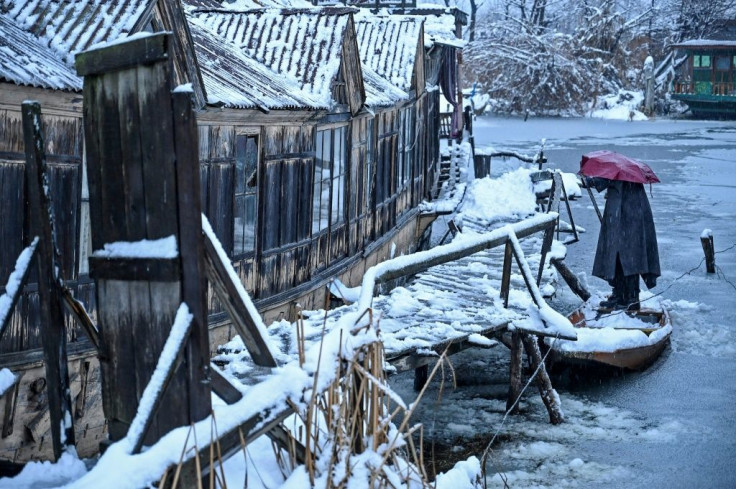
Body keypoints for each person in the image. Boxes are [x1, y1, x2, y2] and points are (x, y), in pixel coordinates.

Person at [587, 176, 660, 310]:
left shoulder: (619, 175)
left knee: (629, 259)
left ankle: (631, 299)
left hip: (629, 219)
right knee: (621, 258)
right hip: (626, 217)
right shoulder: (628, 175)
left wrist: (590, 181)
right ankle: (620, 295)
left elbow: (604, 181)